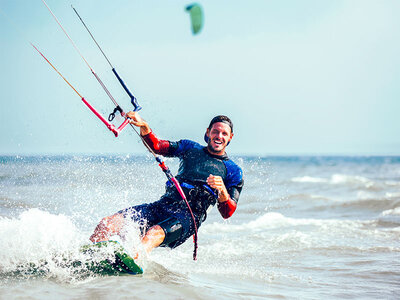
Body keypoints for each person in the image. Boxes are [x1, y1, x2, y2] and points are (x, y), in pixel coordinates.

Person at [90, 112, 244, 256]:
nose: (219, 136)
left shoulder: (233, 171)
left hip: (187, 218)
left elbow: (227, 213)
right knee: (107, 223)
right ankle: (87, 257)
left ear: (230, 137)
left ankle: (132, 261)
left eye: (224, 133)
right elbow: (156, 146)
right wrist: (144, 126)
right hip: (162, 206)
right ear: (208, 132)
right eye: (216, 131)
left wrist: (222, 191)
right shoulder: (190, 148)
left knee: (152, 234)